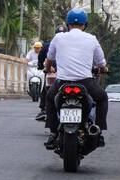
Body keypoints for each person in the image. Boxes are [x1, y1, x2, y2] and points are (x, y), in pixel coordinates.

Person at [43, 8, 109, 149]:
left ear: (68, 24)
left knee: (49, 97)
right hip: (85, 82)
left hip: (62, 82)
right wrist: (103, 69)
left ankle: (53, 132)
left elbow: (49, 59)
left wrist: (47, 69)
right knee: (102, 97)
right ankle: (99, 130)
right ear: (85, 25)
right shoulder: (92, 39)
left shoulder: (58, 37)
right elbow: (101, 63)